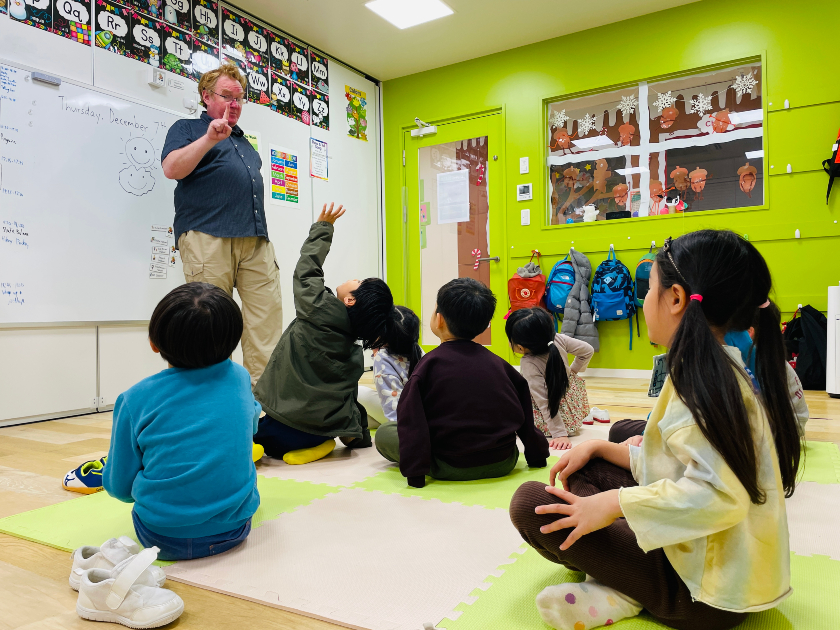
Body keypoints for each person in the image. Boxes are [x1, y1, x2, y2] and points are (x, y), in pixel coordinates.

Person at [509, 230, 802, 630]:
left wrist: (612, 505)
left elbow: (720, 497)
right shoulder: (711, 365)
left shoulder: (705, 385)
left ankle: (624, 590)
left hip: (709, 595)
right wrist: (598, 449)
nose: (644, 301)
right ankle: (625, 565)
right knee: (582, 469)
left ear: (677, 299)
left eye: (649, 290)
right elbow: (671, 464)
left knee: (530, 505)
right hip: (711, 561)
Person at [103, 283, 260, 562]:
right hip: (236, 529)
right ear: (233, 341)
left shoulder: (134, 399)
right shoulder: (240, 377)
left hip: (162, 538)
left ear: (153, 342)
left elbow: (119, 488)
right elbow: (251, 427)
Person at [162, 62, 282, 388]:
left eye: (240, 98)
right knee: (211, 321)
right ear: (206, 96)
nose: (235, 105)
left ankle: (266, 407)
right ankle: (218, 403)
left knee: (266, 321)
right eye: (227, 96)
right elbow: (172, 168)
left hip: (255, 239)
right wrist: (208, 139)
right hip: (206, 235)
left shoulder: (244, 143)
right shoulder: (187, 129)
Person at [254, 203, 401, 465]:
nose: (354, 278)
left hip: (281, 426)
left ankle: (254, 446)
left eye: (359, 282)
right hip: (319, 431)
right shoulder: (353, 353)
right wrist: (358, 431)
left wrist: (324, 228)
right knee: (346, 396)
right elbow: (347, 400)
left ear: (351, 301)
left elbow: (307, 268)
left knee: (258, 432)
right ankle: (332, 441)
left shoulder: (317, 307)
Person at [375, 278, 550, 488]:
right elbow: (525, 418)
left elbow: (413, 423)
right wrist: (537, 456)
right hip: (502, 461)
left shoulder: (427, 366)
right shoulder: (500, 365)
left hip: (448, 465)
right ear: (484, 325)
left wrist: (416, 475)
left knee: (385, 433)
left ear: (439, 320)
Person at [506, 307, 594, 450]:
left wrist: (559, 434)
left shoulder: (529, 363)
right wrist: (572, 372)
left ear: (521, 347)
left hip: (551, 414)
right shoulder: (557, 339)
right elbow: (587, 350)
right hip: (568, 405)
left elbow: (544, 401)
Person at [357, 305, 423, 428]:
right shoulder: (417, 349)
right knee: (363, 416)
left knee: (358, 392)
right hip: (421, 412)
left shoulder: (382, 357)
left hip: (405, 417)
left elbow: (393, 407)